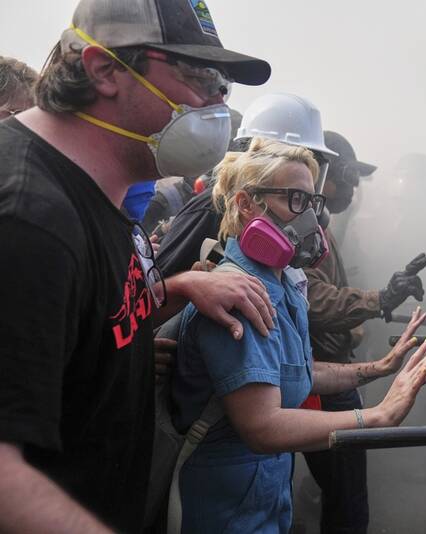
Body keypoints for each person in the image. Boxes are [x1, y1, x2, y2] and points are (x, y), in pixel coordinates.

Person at [0, 1, 273, 532]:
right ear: (104, 69)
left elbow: (88, 323)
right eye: (199, 75)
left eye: (224, 86)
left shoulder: (101, 189)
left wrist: (177, 288)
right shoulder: (26, 218)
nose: (216, 103)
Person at [172, 138, 426, 533]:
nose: (311, 219)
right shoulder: (239, 292)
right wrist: (378, 416)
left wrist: (375, 369)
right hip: (225, 498)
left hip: (262, 488)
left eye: (313, 202)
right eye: (295, 199)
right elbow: (262, 428)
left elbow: (293, 372)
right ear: (247, 204)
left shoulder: (281, 281)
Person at [302, 131, 426, 534]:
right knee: (347, 496)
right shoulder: (300, 225)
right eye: (349, 175)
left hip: (326, 367)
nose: (354, 187)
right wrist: (379, 300)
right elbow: (312, 299)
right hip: (322, 375)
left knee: (340, 486)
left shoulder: (318, 222)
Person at [156, 93, 336, 277]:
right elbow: (155, 292)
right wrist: (188, 285)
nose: (308, 213)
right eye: (296, 196)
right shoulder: (214, 206)